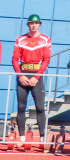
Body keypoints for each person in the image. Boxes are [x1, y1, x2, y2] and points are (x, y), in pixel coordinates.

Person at [12, 14, 51, 149]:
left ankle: (42, 137)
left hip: (36, 76)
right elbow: (15, 59)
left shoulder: (45, 39)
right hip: (23, 74)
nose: (34, 25)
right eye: (31, 23)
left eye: (36, 23)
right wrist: (20, 76)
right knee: (21, 107)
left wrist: (36, 77)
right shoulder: (20, 39)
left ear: (39, 24)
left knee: (40, 108)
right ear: (28, 25)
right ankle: (22, 137)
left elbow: (46, 59)